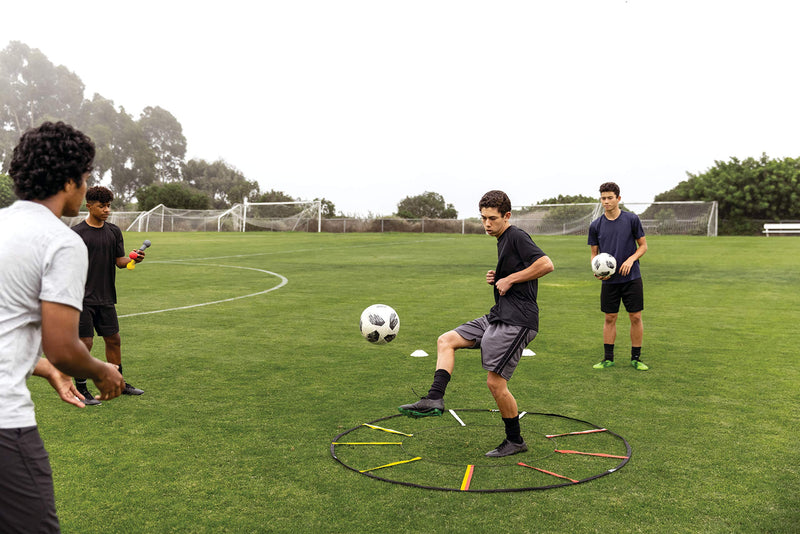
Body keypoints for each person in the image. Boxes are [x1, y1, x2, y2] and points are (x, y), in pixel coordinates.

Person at [0, 121, 125, 532]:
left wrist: (45, 369)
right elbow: (63, 346)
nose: (86, 185)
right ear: (70, 180)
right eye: (86, 177)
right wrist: (102, 370)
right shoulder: (62, 240)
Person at [398, 190, 554, 458]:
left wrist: (510, 279)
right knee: (446, 340)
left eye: (492, 218)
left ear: (507, 216)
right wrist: (500, 276)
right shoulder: (502, 238)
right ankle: (434, 398)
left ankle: (515, 440)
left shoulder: (515, 234)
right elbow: (518, 271)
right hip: (499, 314)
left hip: (518, 321)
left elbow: (546, 264)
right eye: (483, 218)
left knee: (495, 384)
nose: (486, 224)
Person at [71, 186, 145, 403]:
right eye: (101, 206)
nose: (106, 210)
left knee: (113, 339)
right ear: (89, 206)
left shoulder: (113, 231)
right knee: (85, 343)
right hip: (81, 298)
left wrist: (133, 259)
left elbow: (119, 261)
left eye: (108, 206)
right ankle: (81, 389)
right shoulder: (76, 234)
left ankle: (118, 383)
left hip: (105, 297)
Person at [588, 182, 649, 371]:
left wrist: (631, 259)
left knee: (636, 317)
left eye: (609, 198)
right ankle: (608, 358)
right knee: (609, 318)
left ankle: (636, 358)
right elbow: (594, 254)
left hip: (632, 278)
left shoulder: (631, 219)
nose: (606, 201)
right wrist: (596, 270)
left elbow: (643, 246)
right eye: (603, 198)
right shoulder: (596, 225)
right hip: (610, 281)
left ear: (618, 199)